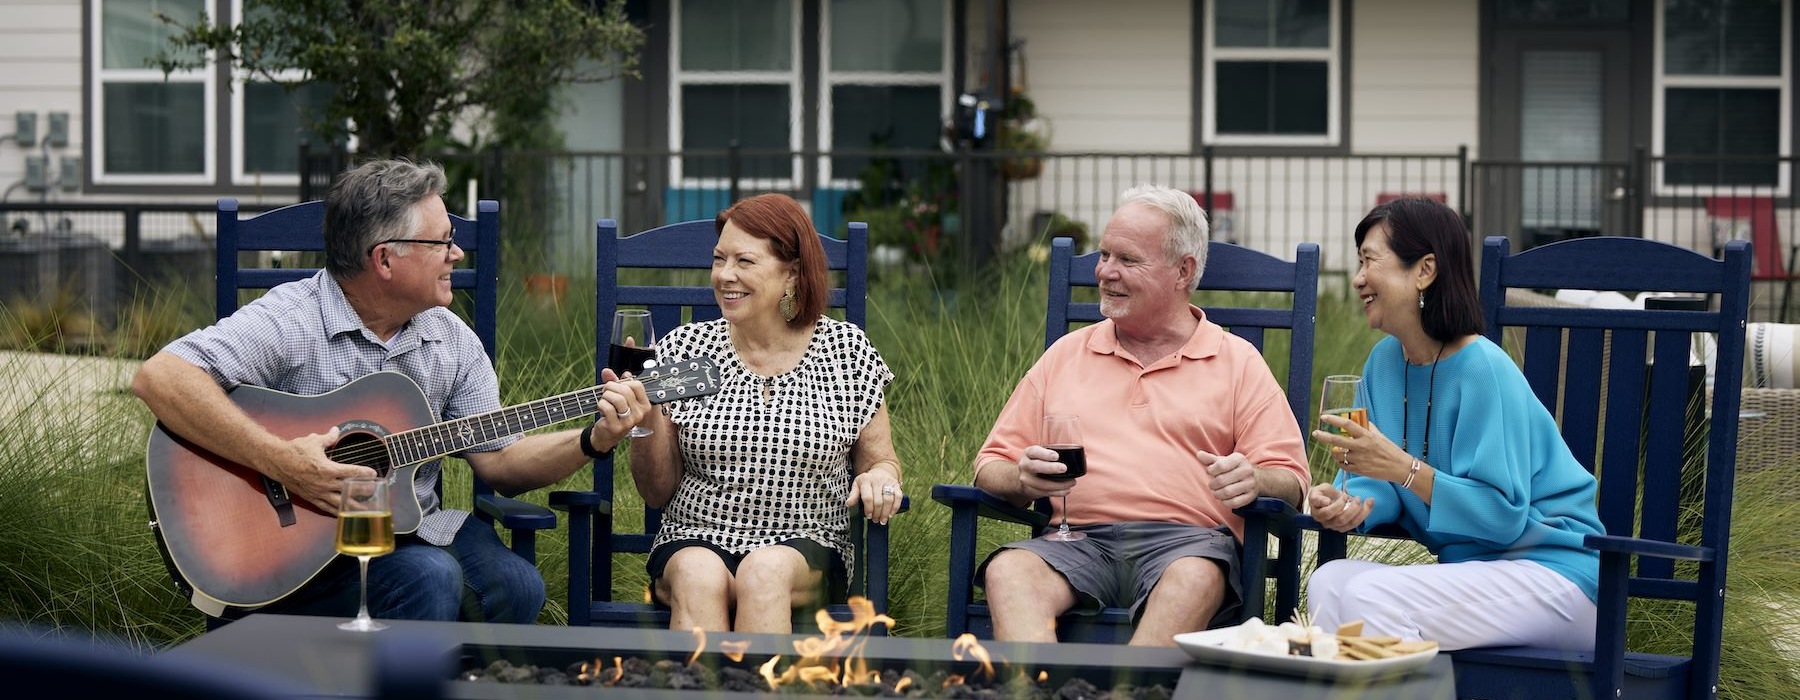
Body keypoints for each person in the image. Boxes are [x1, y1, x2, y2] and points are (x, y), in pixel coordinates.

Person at [132, 158, 650, 624]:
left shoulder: (450, 338)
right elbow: (160, 377)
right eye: (443, 241)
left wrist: (594, 439)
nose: (457, 252)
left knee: (516, 586)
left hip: (410, 529)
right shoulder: (292, 318)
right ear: (384, 260)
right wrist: (282, 462)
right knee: (429, 578)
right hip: (292, 552)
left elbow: (502, 464)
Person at [972, 184, 1309, 646]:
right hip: (1075, 545)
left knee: (1193, 576)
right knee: (1010, 570)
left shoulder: (1237, 361)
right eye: (1104, 255)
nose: (1105, 272)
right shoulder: (1067, 355)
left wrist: (1257, 480)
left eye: (1127, 261)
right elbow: (990, 466)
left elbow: (1291, 479)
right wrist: (1021, 479)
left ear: (1182, 271)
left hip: (1189, 546)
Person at [1306, 197, 1605, 652]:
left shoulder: (1483, 368)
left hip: (1553, 575)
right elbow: (1379, 482)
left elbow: (1503, 518)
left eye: (1370, 261)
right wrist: (1351, 503)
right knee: (1328, 582)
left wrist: (1404, 467)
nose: (1358, 278)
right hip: (1471, 574)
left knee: (1370, 596)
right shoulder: (1381, 365)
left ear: (1424, 270)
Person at [628, 193, 903, 633]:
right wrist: (645, 421)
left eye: (744, 262)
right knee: (699, 576)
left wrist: (880, 478)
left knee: (764, 572)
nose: (724, 275)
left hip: (806, 545)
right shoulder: (684, 350)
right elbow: (656, 492)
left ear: (791, 274)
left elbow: (881, 461)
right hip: (694, 537)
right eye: (719, 260)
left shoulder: (847, 352)